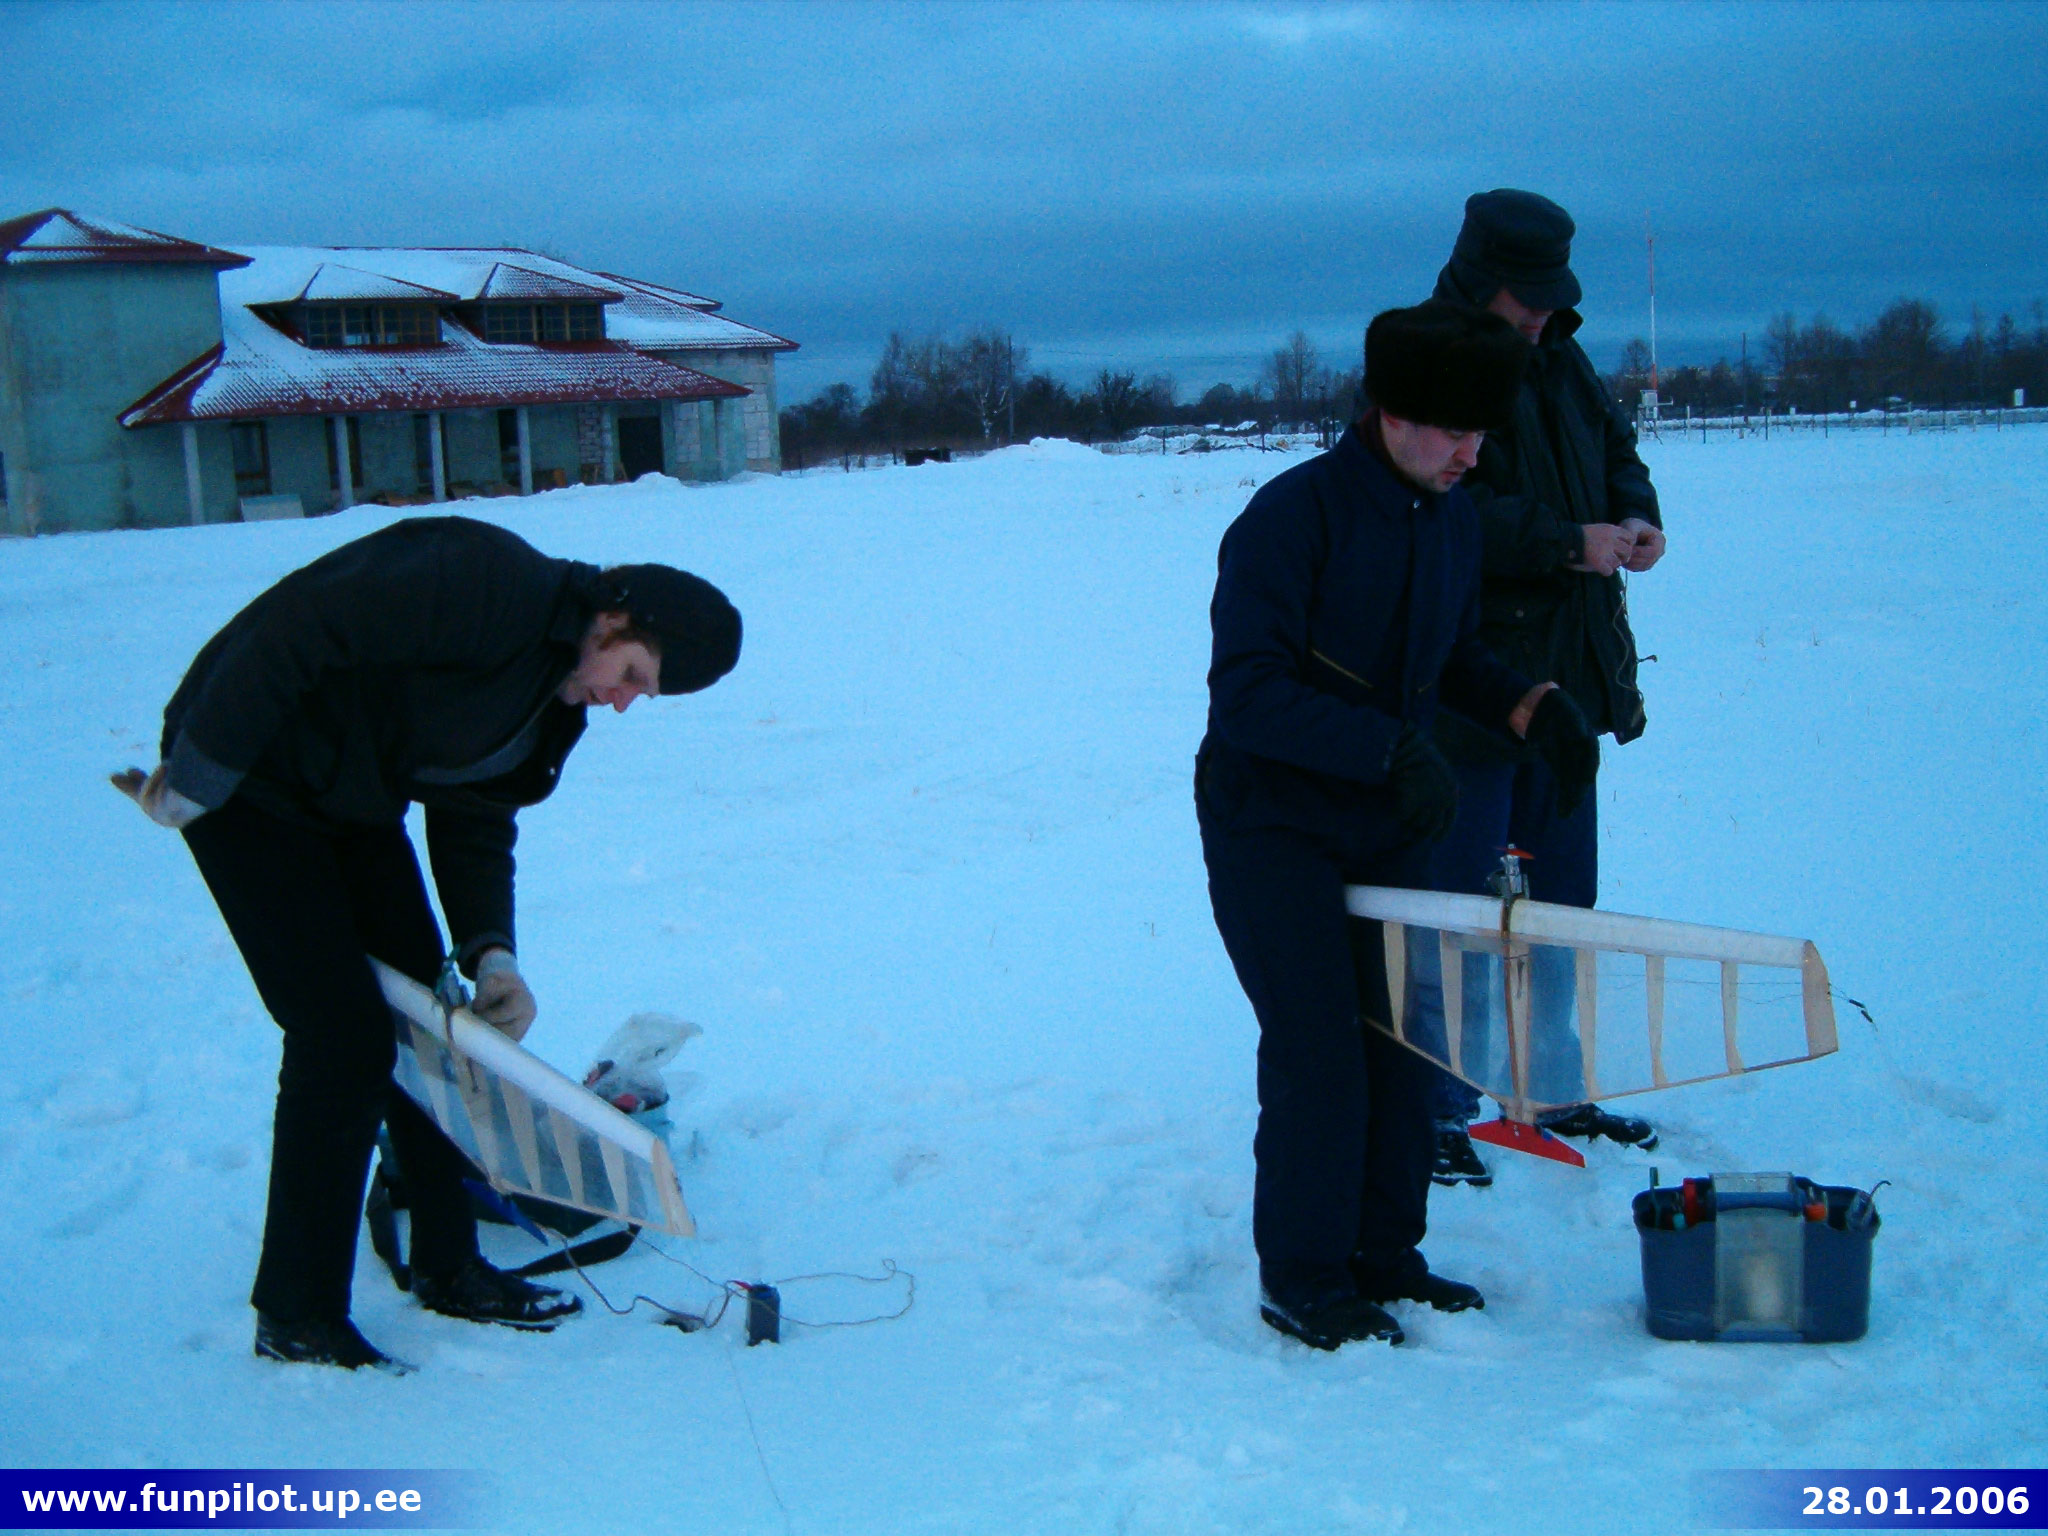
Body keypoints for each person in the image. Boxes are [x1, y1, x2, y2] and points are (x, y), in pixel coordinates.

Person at [117, 515, 741, 1373]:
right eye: (634, 674)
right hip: (247, 777)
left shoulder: (554, 701)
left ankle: (450, 1267)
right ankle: (297, 1316)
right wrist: (200, 769)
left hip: (353, 801)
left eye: (647, 694)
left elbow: (477, 814)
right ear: (614, 618)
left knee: (438, 1029)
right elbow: (303, 623)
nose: (626, 701)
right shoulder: (483, 578)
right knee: (340, 1038)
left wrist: (493, 956)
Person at [1195, 302, 1599, 1350]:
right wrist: (1386, 748)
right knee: (1320, 1052)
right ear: (1390, 413)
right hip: (1270, 822)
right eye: (1454, 431)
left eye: (1482, 432)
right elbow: (1247, 695)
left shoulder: (1450, 518)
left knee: (1404, 1045)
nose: (1472, 454)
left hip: (1387, 816)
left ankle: (1383, 1254)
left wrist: (1530, 708)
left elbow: (1454, 656)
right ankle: (1304, 1276)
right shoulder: (1293, 519)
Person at [1419, 189, 1669, 1188]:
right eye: (1524, 301)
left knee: (1563, 896)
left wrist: (1634, 518)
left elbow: (1614, 450)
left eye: (1550, 301)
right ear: (1479, 281)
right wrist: (1568, 542)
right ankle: (1436, 1106)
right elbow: (1442, 506)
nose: (1539, 318)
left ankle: (1551, 1090)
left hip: (1569, 680)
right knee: (1454, 904)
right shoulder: (1428, 358)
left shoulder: (1561, 356)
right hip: (1471, 688)